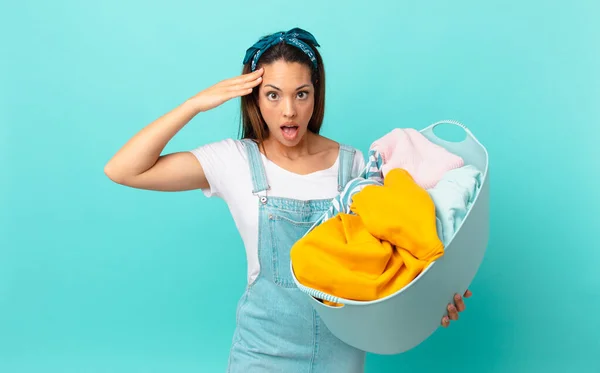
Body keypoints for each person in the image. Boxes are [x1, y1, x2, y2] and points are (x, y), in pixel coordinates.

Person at [104, 27, 472, 372]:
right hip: (260, 355)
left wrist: (433, 298)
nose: (289, 111)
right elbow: (124, 170)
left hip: (341, 357)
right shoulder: (234, 160)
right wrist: (195, 104)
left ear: (316, 94)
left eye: (301, 93)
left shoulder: (357, 167)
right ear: (255, 98)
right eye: (273, 95)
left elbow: (393, 264)